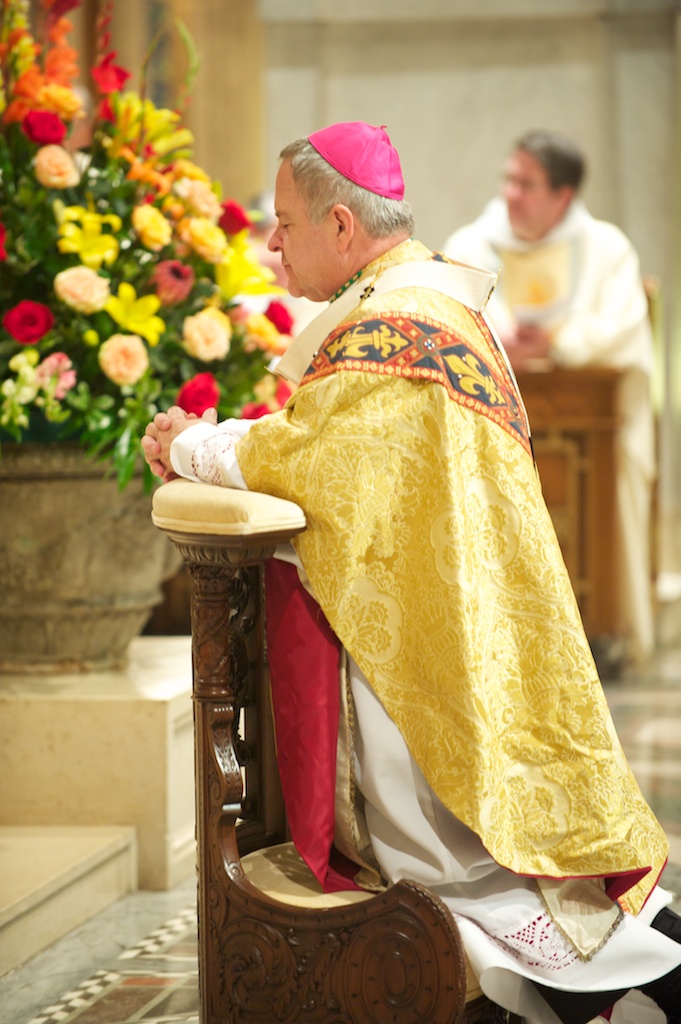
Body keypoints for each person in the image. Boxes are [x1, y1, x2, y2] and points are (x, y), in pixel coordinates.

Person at [142, 121, 681, 1024]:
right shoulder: (426, 295)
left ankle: (613, 976)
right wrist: (223, 441)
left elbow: (318, 463)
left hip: (420, 658)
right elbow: (327, 441)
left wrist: (194, 441)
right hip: (458, 609)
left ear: (343, 226)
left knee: (464, 862)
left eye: (284, 222)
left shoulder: (396, 320)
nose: (270, 242)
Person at [442, 129, 656, 668]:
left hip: (594, 420)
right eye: (509, 179)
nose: (511, 193)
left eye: (527, 184)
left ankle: (606, 629)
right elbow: (445, 311)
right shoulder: (471, 244)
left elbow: (624, 326)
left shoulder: (606, 248)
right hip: (493, 413)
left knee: (617, 468)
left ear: (563, 196)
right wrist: (500, 336)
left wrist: (561, 341)